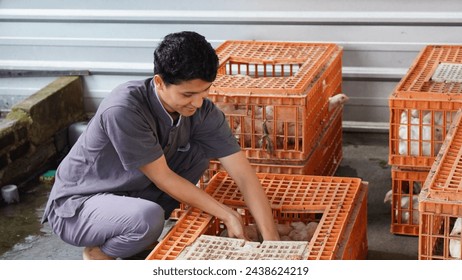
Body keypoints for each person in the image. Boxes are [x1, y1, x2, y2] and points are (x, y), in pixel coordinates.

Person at [41, 31, 280, 260]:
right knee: (148, 218)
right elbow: (163, 177)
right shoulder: (125, 108)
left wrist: (272, 242)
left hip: (130, 193)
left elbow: (244, 175)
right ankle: (100, 252)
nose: (197, 103)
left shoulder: (201, 111)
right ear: (159, 82)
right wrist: (226, 214)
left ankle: (136, 239)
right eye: (187, 94)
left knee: (198, 154)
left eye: (205, 91)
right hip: (79, 206)